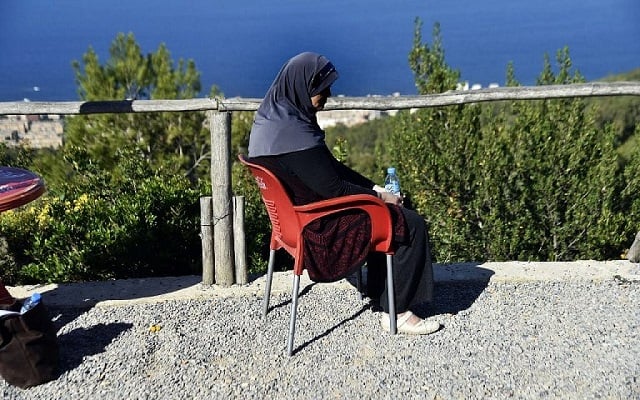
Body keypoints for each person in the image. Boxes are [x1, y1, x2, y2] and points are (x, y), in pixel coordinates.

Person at [247, 52, 439, 335]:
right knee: (409, 223)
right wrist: (380, 200)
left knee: (387, 211)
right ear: (302, 86)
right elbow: (334, 187)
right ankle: (396, 312)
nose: (328, 94)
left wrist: (374, 189)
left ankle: (383, 295)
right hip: (320, 228)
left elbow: (331, 169)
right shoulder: (294, 136)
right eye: (321, 88)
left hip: (290, 225)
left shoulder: (273, 121)